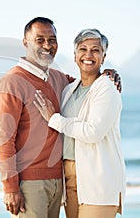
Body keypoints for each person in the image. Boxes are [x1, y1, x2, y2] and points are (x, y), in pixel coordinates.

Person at [0, 17, 120, 218]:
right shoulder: (11, 83)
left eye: (52, 40)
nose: (47, 45)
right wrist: (10, 188)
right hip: (29, 184)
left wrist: (107, 73)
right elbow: (2, 141)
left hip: (60, 182)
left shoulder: (59, 80)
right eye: (40, 40)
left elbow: (87, 83)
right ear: (26, 43)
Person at [34, 28, 126, 218]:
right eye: (83, 49)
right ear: (75, 55)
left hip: (97, 180)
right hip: (70, 180)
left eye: (95, 50)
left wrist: (54, 120)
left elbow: (93, 132)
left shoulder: (107, 87)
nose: (88, 55)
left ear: (103, 56)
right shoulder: (69, 90)